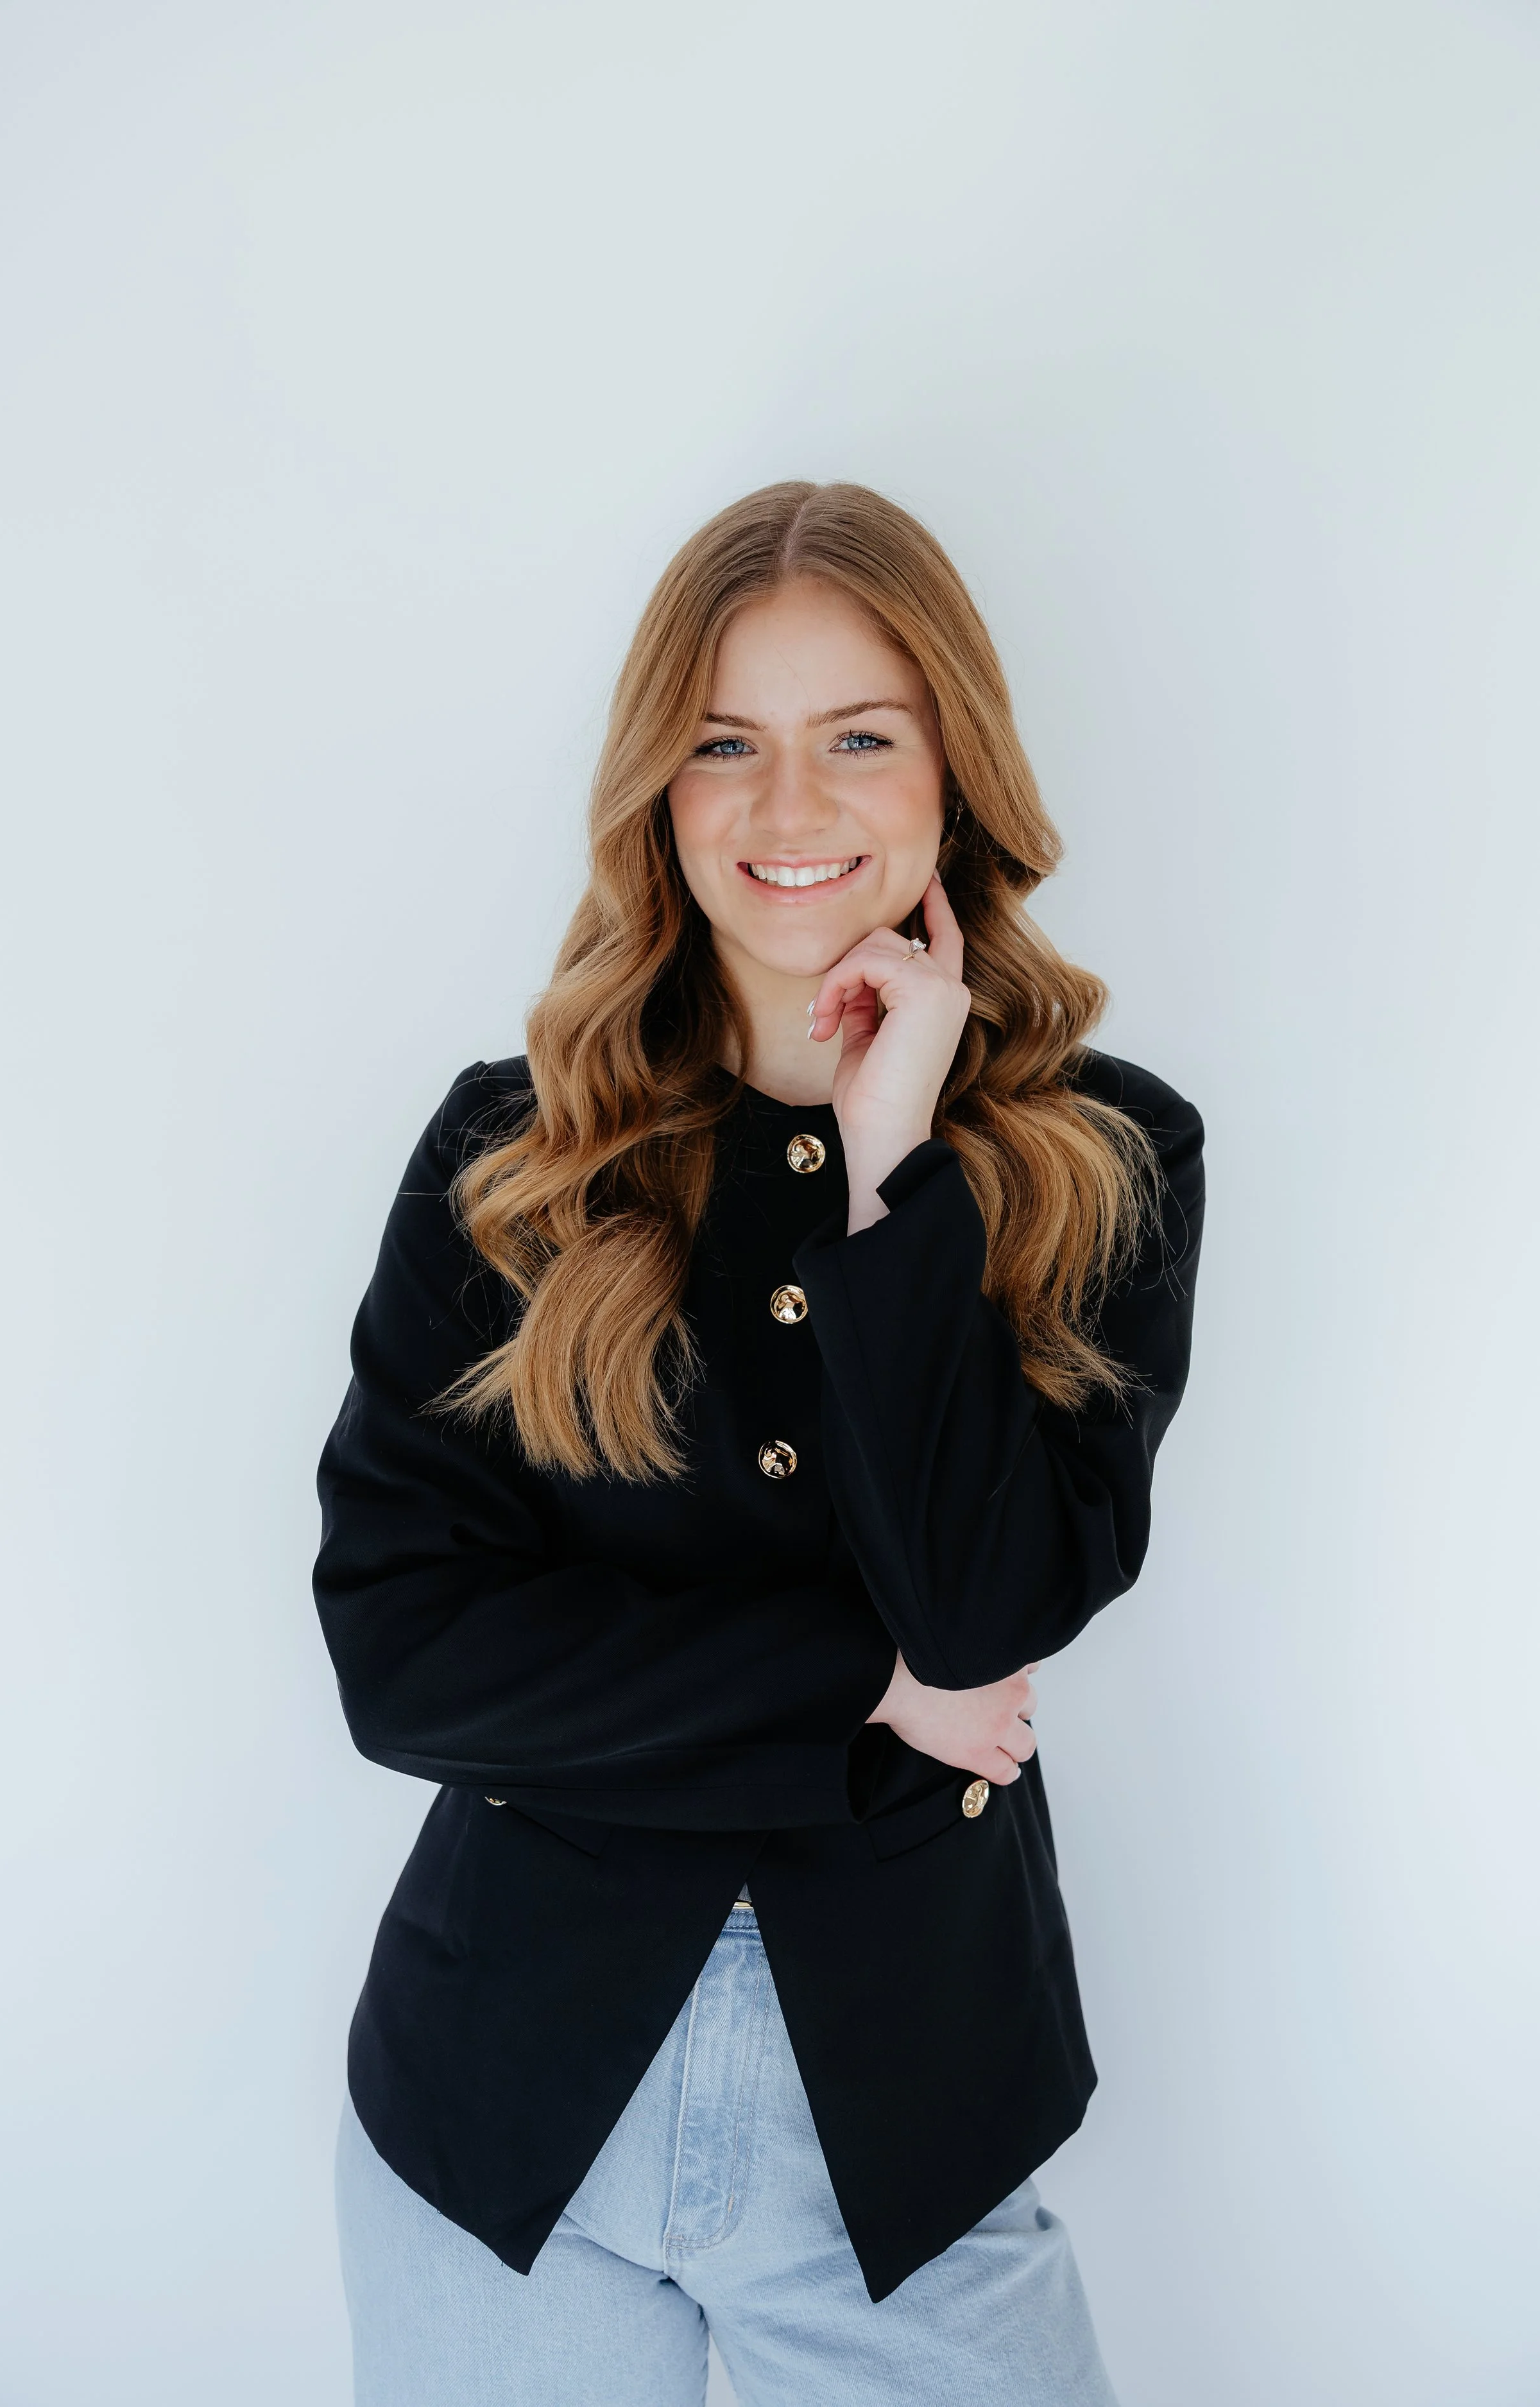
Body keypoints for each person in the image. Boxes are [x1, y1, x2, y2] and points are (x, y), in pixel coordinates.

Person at [314, 480, 1206, 2406]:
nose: (788, 807)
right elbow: (403, 1654)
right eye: (725, 743)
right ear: (660, 787)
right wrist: (854, 1687)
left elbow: (983, 1611)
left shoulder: (1108, 1160)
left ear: (955, 774)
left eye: (858, 737)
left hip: (905, 2141)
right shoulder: (510, 1159)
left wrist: (892, 1173)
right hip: (501, 2126)